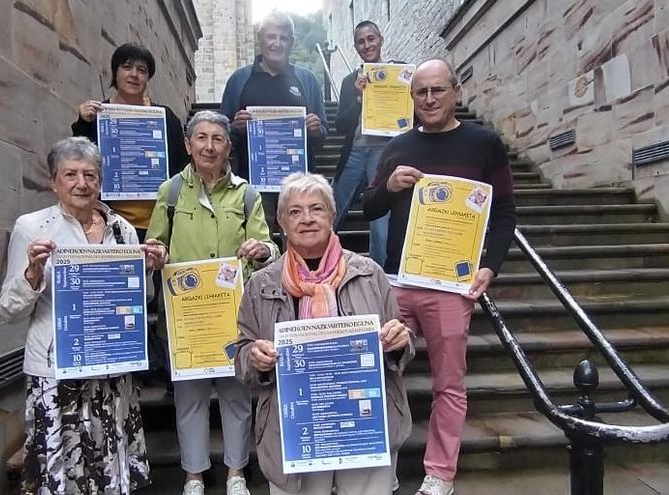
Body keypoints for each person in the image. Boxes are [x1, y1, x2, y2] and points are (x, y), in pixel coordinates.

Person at [362, 60, 517, 495]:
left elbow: (504, 212)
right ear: (411, 97)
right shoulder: (395, 147)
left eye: (437, 90)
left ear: (456, 91)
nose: (429, 99)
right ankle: (380, 466)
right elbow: (367, 208)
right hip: (398, 280)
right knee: (377, 373)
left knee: (448, 382)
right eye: (421, 92)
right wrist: (389, 186)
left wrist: (490, 266)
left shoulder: (485, 144)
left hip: (451, 285)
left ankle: (439, 473)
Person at [0, 137, 167, 495]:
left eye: (90, 174)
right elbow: (8, 309)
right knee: (64, 471)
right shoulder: (32, 228)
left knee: (108, 464)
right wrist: (31, 274)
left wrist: (148, 270)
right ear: (54, 180)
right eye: (70, 174)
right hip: (58, 371)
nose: (81, 183)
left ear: (100, 181)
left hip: (111, 368)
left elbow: (141, 299)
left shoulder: (121, 229)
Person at [235, 172, 414, 495]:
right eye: (295, 211)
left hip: (364, 422)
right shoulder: (261, 284)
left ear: (332, 216)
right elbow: (242, 354)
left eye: (316, 209)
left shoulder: (369, 273)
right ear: (281, 222)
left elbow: (401, 341)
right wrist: (254, 358)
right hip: (294, 428)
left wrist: (398, 342)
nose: (306, 219)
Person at [145, 110, 280, 495]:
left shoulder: (247, 194)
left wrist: (262, 249)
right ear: (188, 145)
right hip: (186, 315)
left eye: (217, 139)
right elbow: (156, 243)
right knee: (190, 399)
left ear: (228, 147)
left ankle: (236, 471)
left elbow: (269, 246)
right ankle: (193, 475)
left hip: (232, 315)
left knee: (237, 396)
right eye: (200, 138)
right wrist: (155, 254)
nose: (209, 146)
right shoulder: (169, 192)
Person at [220, 11, 328, 230]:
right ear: (260, 39)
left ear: (291, 42)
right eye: (271, 36)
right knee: (259, 248)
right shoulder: (239, 80)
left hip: (298, 187)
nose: (277, 43)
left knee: (300, 247)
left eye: (283, 37)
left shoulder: (307, 80)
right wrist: (235, 127)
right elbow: (221, 134)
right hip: (253, 185)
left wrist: (316, 129)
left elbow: (323, 135)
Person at [72, 43, 188, 237]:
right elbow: (76, 161)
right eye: (127, 67)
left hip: (158, 223)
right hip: (109, 222)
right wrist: (83, 123)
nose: (134, 74)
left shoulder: (166, 117)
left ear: (148, 78)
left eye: (142, 70)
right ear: (115, 73)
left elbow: (181, 167)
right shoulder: (96, 115)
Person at [332, 20, 404, 268]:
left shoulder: (398, 74)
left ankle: (381, 276)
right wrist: (358, 98)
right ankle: (317, 263)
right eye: (361, 41)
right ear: (355, 46)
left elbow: (412, 116)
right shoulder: (349, 81)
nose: (367, 45)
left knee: (380, 218)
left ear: (380, 39)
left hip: (384, 152)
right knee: (331, 206)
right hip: (354, 151)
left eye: (371, 39)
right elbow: (340, 125)